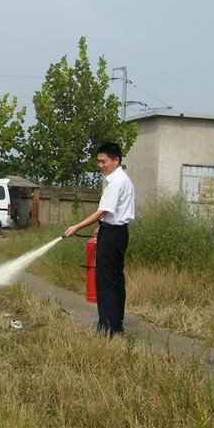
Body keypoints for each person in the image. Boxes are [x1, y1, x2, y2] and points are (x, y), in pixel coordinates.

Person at [63, 142, 135, 337]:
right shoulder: (124, 179)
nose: (100, 165)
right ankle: (116, 325)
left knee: (105, 283)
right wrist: (102, 227)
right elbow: (114, 213)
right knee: (116, 280)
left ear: (116, 160)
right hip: (118, 233)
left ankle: (107, 328)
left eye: (104, 161)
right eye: (98, 162)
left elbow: (102, 211)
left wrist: (76, 227)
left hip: (112, 236)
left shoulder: (115, 182)